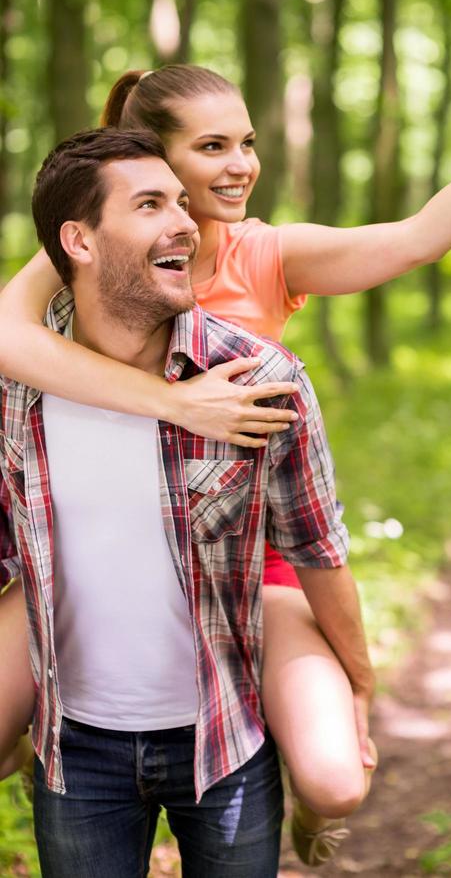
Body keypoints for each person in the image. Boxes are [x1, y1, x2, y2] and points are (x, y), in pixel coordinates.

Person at [0, 35, 451, 863]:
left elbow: (416, 239)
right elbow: (9, 340)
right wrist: (179, 404)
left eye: (247, 142)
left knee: (335, 778)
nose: (240, 165)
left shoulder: (267, 254)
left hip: (244, 555)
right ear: (151, 160)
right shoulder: (93, 247)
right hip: (109, 550)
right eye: (212, 146)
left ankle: (280, 787)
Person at [0, 127, 371, 877]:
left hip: (223, 739)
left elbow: (316, 549)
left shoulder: (259, 377)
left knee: (336, 782)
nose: (186, 223)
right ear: (77, 239)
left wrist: (362, 683)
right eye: (150, 204)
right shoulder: (17, 389)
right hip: (79, 753)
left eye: (181, 201)